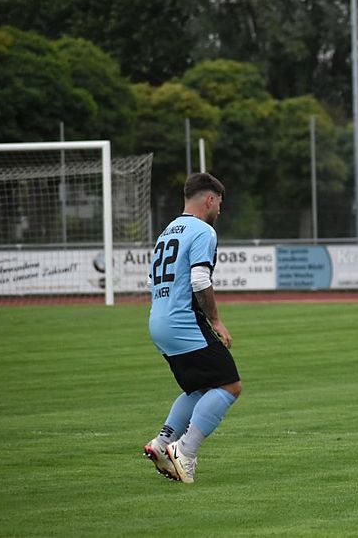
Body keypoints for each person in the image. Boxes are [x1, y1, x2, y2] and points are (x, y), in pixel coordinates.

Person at [142, 172, 242, 484]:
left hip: (159, 321)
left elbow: (150, 281)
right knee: (229, 386)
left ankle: (162, 443)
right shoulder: (203, 231)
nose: (220, 211)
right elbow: (199, 279)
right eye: (220, 203)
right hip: (183, 321)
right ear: (210, 199)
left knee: (200, 388)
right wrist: (216, 320)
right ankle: (184, 451)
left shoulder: (167, 232)